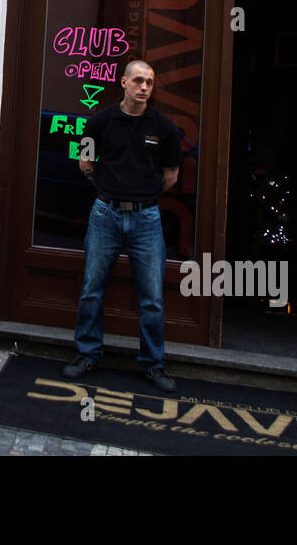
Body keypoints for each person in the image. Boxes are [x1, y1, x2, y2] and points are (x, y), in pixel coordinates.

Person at [64, 59, 182, 392]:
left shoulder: (164, 128)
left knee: (152, 298)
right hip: (106, 215)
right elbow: (85, 162)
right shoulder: (99, 122)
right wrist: (109, 190)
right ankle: (87, 354)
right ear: (124, 83)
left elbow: (171, 176)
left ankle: (153, 364)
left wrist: (142, 195)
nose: (145, 87)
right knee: (91, 291)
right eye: (139, 81)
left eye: (150, 82)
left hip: (147, 218)